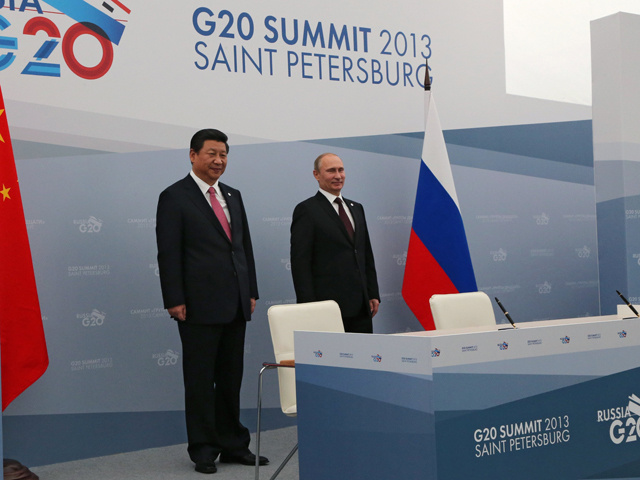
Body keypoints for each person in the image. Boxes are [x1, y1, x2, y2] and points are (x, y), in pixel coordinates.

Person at [156, 129, 267, 474]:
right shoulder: (174, 196)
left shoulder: (233, 195)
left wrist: (250, 291)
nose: (219, 161)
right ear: (193, 155)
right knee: (201, 379)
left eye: (223, 154)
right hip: (197, 305)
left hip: (235, 303)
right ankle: (203, 449)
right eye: (211, 154)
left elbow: (243, 247)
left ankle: (235, 445)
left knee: (231, 378)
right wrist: (174, 299)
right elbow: (168, 253)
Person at [290, 152, 380, 333]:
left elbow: (365, 254)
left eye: (341, 170)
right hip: (327, 308)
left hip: (362, 307)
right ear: (316, 175)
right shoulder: (307, 210)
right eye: (331, 171)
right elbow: (300, 263)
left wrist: (372, 294)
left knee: (363, 358)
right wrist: (309, 307)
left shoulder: (356, 208)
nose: (338, 176)